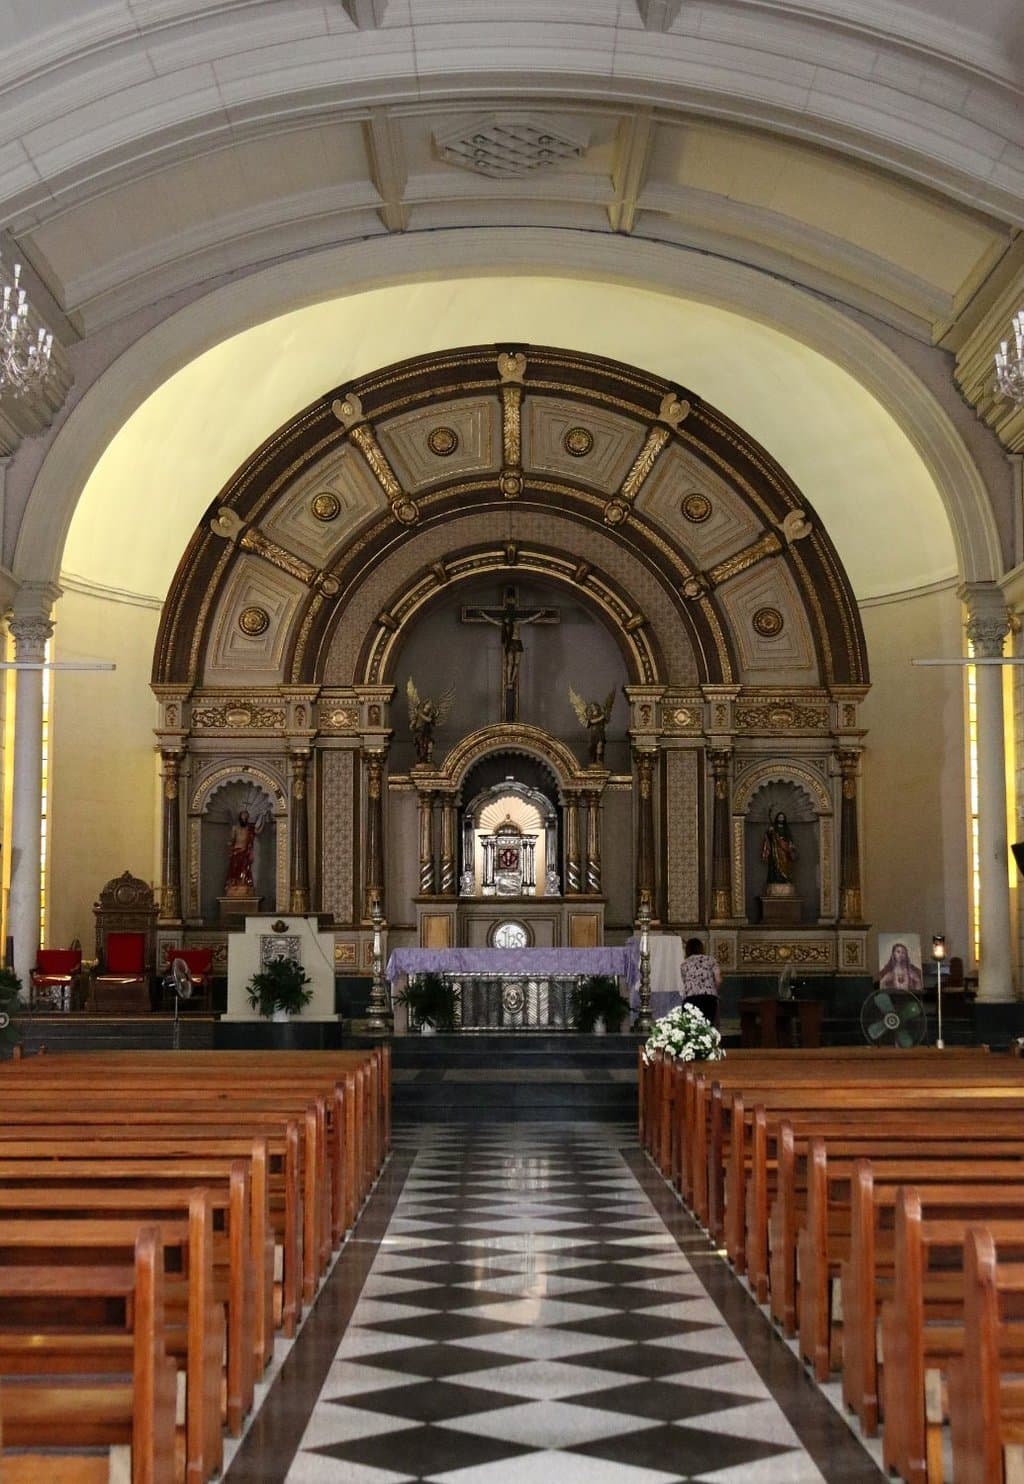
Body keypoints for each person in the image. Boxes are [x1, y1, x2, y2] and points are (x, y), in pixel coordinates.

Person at [680, 936, 722, 1028]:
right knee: (708, 1028)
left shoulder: (684, 964)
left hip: (691, 998)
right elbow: (718, 980)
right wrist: (716, 993)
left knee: (692, 1029)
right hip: (709, 998)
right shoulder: (711, 960)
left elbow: (685, 983)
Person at [225, 808, 263, 895]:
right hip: (236, 851)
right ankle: (234, 885)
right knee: (234, 869)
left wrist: (262, 818)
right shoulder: (235, 828)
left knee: (244, 869)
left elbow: (258, 831)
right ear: (240, 817)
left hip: (245, 852)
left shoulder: (249, 828)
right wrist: (229, 844)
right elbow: (232, 839)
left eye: (246, 816)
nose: (244, 818)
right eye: (243, 816)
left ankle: (243, 884)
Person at [761, 810, 797, 886]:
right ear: (777, 818)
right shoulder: (774, 827)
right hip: (776, 849)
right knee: (775, 863)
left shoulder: (786, 828)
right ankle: (776, 879)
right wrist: (769, 832)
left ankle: (785, 878)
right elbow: (768, 838)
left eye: (782, 817)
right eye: (780, 817)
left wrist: (789, 844)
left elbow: (789, 838)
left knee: (785, 862)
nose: (781, 818)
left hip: (784, 848)